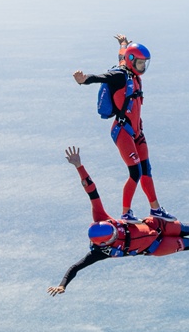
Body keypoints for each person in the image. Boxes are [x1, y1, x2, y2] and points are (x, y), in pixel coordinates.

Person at [48, 146, 189, 296]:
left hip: (152, 225)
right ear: (106, 242)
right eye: (113, 235)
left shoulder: (100, 219)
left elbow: (91, 191)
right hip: (155, 247)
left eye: (113, 229)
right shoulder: (99, 252)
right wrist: (62, 285)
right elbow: (75, 267)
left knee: (186, 227)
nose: (115, 230)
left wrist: (79, 166)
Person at [73, 34, 170, 222]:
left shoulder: (130, 71)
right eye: (141, 63)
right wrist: (83, 80)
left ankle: (155, 209)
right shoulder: (119, 75)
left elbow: (123, 56)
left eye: (145, 63)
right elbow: (101, 77)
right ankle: (126, 213)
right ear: (132, 61)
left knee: (146, 169)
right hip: (123, 131)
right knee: (135, 173)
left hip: (137, 132)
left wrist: (123, 44)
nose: (143, 67)